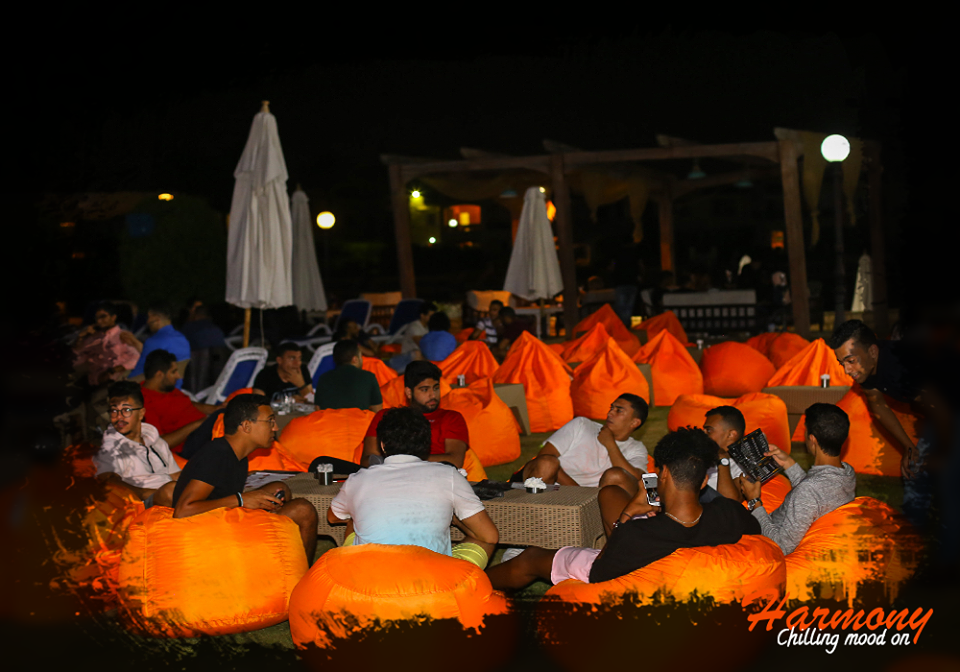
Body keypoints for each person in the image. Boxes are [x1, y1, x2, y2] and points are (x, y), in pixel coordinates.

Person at [487, 428, 760, 589]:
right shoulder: (731, 513)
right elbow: (754, 531)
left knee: (532, 557)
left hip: (630, 568)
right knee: (610, 493)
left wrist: (628, 514)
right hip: (677, 553)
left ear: (663, 474)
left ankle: (477, 584)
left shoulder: (636, 534)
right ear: (702, 482)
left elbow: (602, 572)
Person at [327, 407, 498, 568]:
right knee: (484, 539)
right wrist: (455, 520)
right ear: (426, 444)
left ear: (383, 445)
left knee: (354, 520)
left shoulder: (358, 479)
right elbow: (489, 535)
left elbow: (333, 517)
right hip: (433, 578)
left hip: (370, 577)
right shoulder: (449, 475)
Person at [172, 394, 318, 561]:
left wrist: (247, 500)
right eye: (270, 421)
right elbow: (183, 511)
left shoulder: (237, 455)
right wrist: (241, 500)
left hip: (223, 519)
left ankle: (280, 559)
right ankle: (300, 572)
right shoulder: (216, 455)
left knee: (279, 488)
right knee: (303, 510)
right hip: (207, 533)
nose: (275, 427)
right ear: (247, 426)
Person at [830, 319, 930, 528]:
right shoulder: (867, 370)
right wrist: (909, 447)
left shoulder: (904, 363)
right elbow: (878, 406)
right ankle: (914, 535)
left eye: (850, 360)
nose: (847, 370)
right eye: (842, 363)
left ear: (873, 352)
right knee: (916, 472)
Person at [737, 403, 856, 555]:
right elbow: (815, 493)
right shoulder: (847, 472)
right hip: (787, 527)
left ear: (812, 440)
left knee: (727, 510)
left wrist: (754, 502)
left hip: (767, 539)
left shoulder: (809, 490)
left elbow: (782, 547)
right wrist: (788, 463)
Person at [511, 394, 649, 488]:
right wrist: (578, 493)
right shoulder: (582, 425)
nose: (610, 413)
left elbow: (638, 480)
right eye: (611, 408)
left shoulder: (636, 448)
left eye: (619, 411)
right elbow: (544, 456)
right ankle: (530, 512)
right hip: (553, 487)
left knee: (617, 475)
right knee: (547, 463)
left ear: (634, 423)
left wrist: (610, 444)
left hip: (596, 501)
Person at [361, 361, 468, 469]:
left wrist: (402, 461)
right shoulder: (386, 417)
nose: (433, 395)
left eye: (436, 388)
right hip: (390, 474)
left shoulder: (452, 418)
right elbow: (367, 460)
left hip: (433, 475)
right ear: (408, 392)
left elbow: (455, 461)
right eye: (425, 390)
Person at [93, 380, 180, 507]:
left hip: (171, 493)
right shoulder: (109, 447)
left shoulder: (157, 442)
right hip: (144, 503)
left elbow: (175, 474)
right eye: (114, 411)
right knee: (170, 491)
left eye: (126, 410)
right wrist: (145, 493)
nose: (119, 417)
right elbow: (107, 480)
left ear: (141, 413)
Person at [141, 349, 224, 453]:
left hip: (204, 430)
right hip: (188, 444)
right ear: (159, 375)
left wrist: (215, 409)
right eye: (173, 372)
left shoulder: (166, 388)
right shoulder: (145, 402)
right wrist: (198, 424)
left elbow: (186, 403)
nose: (178, 376)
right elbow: (158, 444)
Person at [73, 302, 142, 386]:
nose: (99, 321)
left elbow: (137, 358)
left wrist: (114, 370)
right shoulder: (95, 337)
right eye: (97, 318)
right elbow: (77, 354)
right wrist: (80, 338)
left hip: (112, 382)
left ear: (113, 317)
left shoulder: (122, 336)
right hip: (91, 380)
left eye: (103, 317)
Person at [129, 303, 191, 387]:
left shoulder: (154, 341)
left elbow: (140, 372)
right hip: (176, 388)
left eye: (149, 317)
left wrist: (125, 382)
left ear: (156, 318)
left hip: (154, 389)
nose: (147, 321)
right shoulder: (182, 339)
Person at [312, 339, 383, 412]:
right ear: (355, 359)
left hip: (330, 419)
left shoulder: (323, 378)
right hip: (358, 419)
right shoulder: (369, 377)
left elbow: (318, 408)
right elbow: (378, 412)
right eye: (361, 356)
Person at [701, 406, 747, 503]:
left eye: (709, 430)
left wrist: (723, 460)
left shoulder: (743, 465)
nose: (703, 434)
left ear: (730, 435)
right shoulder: (699, 453)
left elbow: (729, 502)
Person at [388, 301, 436, 372]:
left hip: (419, 358)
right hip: (408, 358)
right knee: (418, 353)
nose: (433, 318)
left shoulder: (428, 327)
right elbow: (422, 344)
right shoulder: (414, 327)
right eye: (431, 316)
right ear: (422, 315)